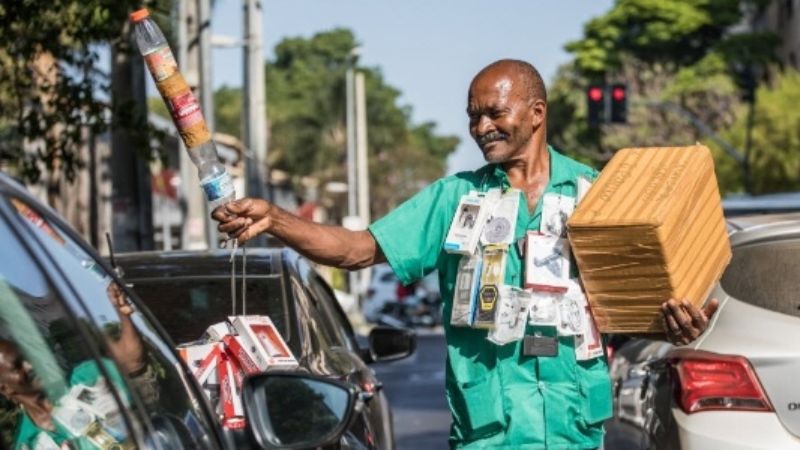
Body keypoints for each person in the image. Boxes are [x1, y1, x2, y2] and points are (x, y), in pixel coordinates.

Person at [213, 59, 719, 449]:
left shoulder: (598, 194)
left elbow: (639, 300)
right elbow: (358, 249)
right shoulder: (453, 198)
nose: (480, 127)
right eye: (473, 116)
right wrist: (277, 221)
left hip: (573, 427)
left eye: (494, 113)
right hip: (488, 431)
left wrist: (675, 324)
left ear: (537, 113)